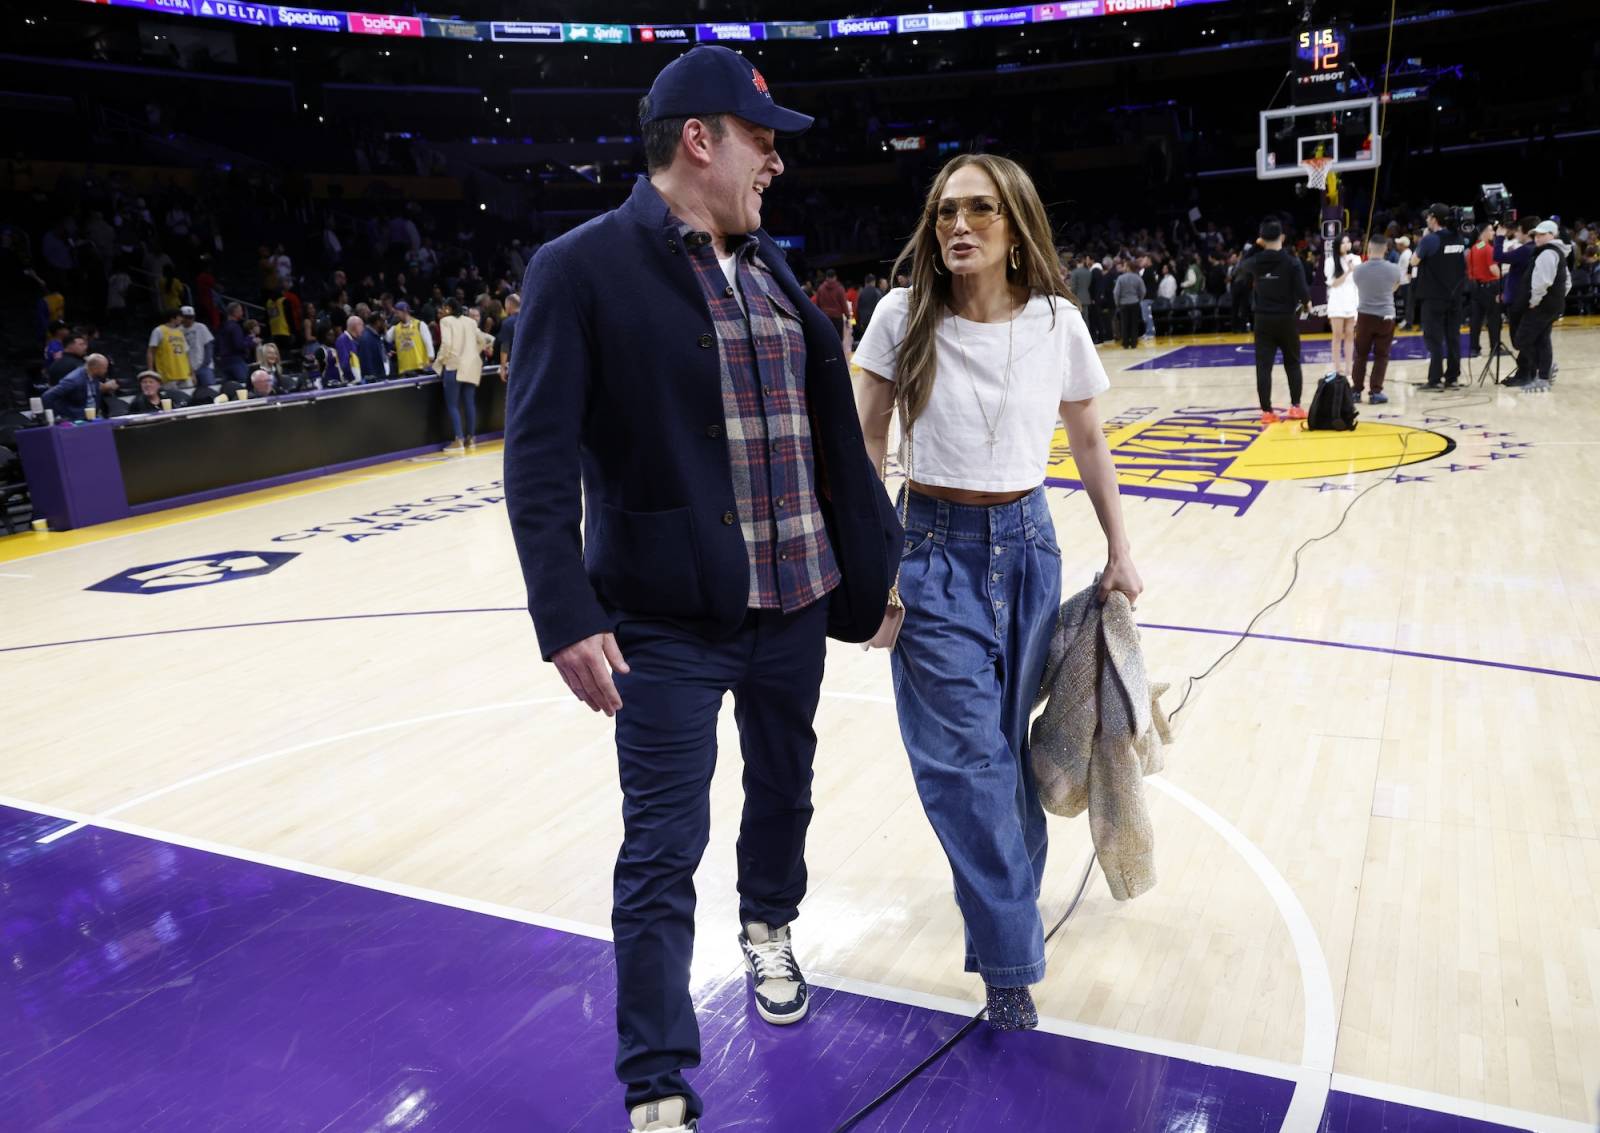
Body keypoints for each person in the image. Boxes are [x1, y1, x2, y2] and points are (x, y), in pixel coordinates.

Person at [503, 45, 899, 1133]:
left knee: (785, 791)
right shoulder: (579, 267)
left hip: (796, 602)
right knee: (660, 850)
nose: (776, 160)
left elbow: (832, 445)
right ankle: (658, 1080)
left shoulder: (768, 266)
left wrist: (878, 569)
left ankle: (768, 923)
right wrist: (564, 612)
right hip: (663, 623)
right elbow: (534, 463)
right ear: (699, 139)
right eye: (763, 138)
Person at [852, 152, 1143, 1036]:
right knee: (965, 766)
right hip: (929, 548)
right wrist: (878, 568)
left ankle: (1006, 896)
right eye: (945, 212)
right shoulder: (900, 314)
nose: (958, 227)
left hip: (1029, 549)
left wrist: (1120, 547)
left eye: (979, 210)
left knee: (1006, 747)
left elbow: (1090, 443)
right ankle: (1012, 962)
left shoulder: (1057, 321)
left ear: (1015, 226)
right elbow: (864, 441)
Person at [1233, 218, 1310, 424]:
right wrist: (1306, 304)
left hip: (1263, 320)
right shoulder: (1293, 262)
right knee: (1292, 363)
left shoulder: (1255, 261)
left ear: (1262, 239)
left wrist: (1253, 248)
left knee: (1263, 366)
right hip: (1286, 319)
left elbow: (1240, 268)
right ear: (1282, 237)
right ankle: (1295, 407)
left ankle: (1267, 411)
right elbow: (1303, 292)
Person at [1511, 220, 1570, 391]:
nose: (1537, 238)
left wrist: (1534, 302)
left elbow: (1541, 283)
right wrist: (1557, 298)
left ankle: (1545, 369)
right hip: (1553, 305)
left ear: (1552, 235)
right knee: (1542, 338)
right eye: (1536, 234)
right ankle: (1543, 375)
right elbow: (1568, 283)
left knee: (1522, 339)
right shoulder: (1559, 252)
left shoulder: (1546, 254)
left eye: (1542, 234)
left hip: (1541, 305)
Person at [1413, 204, 1467, 390]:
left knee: (1434, 338)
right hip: (1455, 296)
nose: (1426, 219)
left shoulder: (1430, 240)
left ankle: (1435, 379)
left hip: (1434, 296)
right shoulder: (1459, 238)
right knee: (1453, 337)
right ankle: (1452, 378)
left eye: (1428, 217)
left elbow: (1414, 261)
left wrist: (1424, 240)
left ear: (1434, 219)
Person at [1350, 234, 1404, 404]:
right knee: (1382, 355)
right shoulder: (1394, 268)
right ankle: (1375, 392)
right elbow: (1394, 287)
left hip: (1365, 316)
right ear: (1386, 249)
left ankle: (1356, 391)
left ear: (1369, 248)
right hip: (1386, 316)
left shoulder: (1358, 270)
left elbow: (1359, 286)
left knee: (1360, 355)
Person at [433, 300, 490, 453]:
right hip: (471, 365)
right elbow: (484, 340)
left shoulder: (445, 321)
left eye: (444, 307)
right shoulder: (471, 322)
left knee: (452, 405)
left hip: (454, 365)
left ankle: (458, 440)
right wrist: (472, 353)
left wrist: (439, 361)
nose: (443, 311)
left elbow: (446, 344)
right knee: (469, 403)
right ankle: (471, 439)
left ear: (449, 308)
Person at [1324, 235, 1360, 379]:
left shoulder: (1356, 259)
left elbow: (1359, 280)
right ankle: (1337, 368)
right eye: (1343, 242)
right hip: (1337, 301)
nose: (1346, 244)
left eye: (1348, 241)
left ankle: (1349, 368)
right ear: (1337, 245)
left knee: (1350, 335)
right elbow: (1333, 283)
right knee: (1337, 335)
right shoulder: (1330, 261)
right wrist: (1348, 272)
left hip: (1352, 300)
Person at [1466, 223, 1504, 359]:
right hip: (1490, 287)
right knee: (1494, 319)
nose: (1493, 232)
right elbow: (1493, 269)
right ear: (1483, 232)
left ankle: (1474, 349)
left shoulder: (1474, 248)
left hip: (1476, 288)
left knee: (1476, 320)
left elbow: (1469, 271)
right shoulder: (1488, 249)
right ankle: (1495, 347)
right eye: (1490, 230)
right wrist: (1503, 275)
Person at [41, 353, 115, 421]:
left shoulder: (94, 376)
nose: (106, 370)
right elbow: (47, 396)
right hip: (76, 419)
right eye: (105, 368)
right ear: (95, 368)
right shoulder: (73, 380)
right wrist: (56, 417)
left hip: (92, 418)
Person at [387, 301, 434, 376]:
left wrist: (431, 359)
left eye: (397, 313)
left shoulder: (420, 325)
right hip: (404, 370)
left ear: (405, 311)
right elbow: (387, 339)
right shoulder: (395, 329)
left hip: (420, 368)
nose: (396, 315)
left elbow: (428, 343)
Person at [147, 308, 192, 386]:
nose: (181, 319)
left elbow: (186, 354)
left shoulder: (180, 332)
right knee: (170, 397)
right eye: (179, 317)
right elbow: (151, 351)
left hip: (184, 373)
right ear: (173, 318)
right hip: (168, 375)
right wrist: (151, 370)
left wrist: (192, 373)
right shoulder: (159, 330)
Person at [216, 302, 253, 388]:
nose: (242, 313)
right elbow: (239, 345)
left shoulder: (222, 326)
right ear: (235, 312)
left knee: (230, 388)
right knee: (246, 386)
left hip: (224, 362)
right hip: (236, 361)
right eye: (240, 311)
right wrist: (251, 342)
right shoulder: (235, 327)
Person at [180, 306, 216, 389]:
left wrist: (205, 364)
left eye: (191, 317)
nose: (189, 319)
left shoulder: (201, 327)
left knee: (210, 390)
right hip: (188, 369)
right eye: (186, 317)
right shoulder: (178, 330)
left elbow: (208, 346)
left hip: (204, 367)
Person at [1114, 259, 1145, 348]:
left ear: (1127, 267)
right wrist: (1139, 299)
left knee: (1124, 324)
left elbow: (1116, 292)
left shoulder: (1121, 278)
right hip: (1134, 302)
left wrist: (1117, 302)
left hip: (1123, 304)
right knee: (1134, 324)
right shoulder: (1137, 278)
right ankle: (1134, 343)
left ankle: (1125, 343)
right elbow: (1143, 291)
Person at [814, 268, 849, 340]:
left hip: (825, 317)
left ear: (826, 277)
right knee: (838, 339)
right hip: (837, 318)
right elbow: (844, 304)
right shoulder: (840, 288)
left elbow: (817, 304)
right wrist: (847, 316)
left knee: (827, 339)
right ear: (835, 277)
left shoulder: (821, 288)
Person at [495, 292, 520, 384]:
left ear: (509, 305)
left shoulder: (508, 323)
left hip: (515, 365)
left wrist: (502, 368)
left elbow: (505, 346)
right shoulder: (530, 321)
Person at [335, 315, 365, 384]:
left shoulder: (353, 341)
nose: (363, 329)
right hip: (350, 384)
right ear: (356, 326)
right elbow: (344, 364)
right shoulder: (342, 340)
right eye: (362, 326)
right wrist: (352, 380)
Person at [1393, 235, 1413, 329]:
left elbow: (1410, 266)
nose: (1397, 245)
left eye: (1399, 244)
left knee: (1408, 304)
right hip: (1403, 282)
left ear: (1403, 245)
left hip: (1406, 282)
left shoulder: (1407, 254)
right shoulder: (1405, 253)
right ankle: (1406, 321)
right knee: (1407, 303)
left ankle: (1408, 324)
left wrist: (1409, 277)